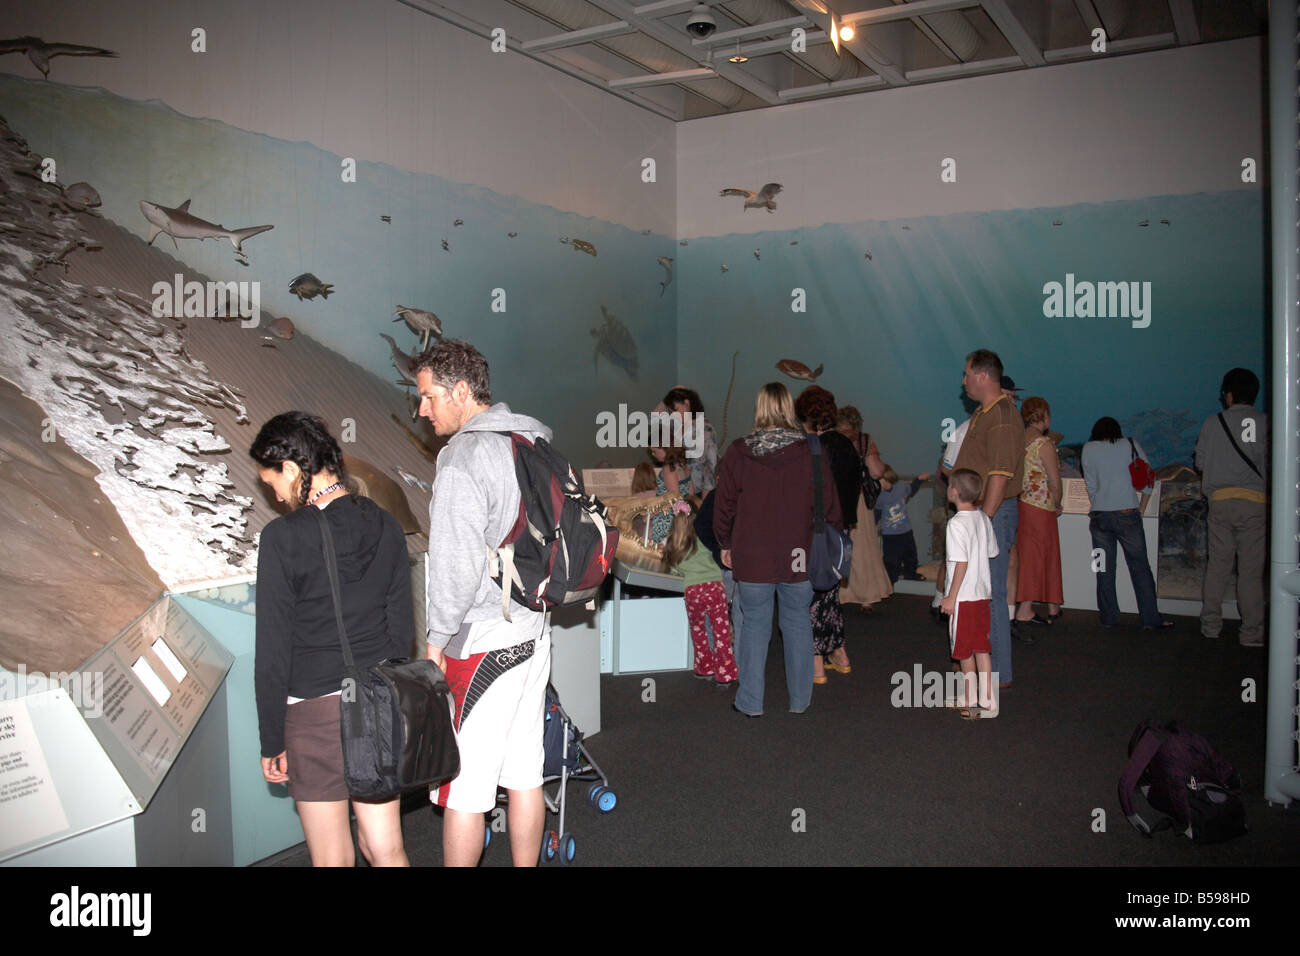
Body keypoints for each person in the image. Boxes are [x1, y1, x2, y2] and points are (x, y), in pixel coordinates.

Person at [251, 411, 412, 867]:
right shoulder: (385, 524)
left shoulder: (281, 538)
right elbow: (401, 632)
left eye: (273, 482)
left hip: (313, 713)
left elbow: (273, 651)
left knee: (332, 858)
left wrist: (271, 739)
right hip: (378, 702)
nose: (276, 495)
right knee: (386, 847)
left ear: (292, 467)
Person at [416, 340, 553, 867]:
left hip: (485, 640)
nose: (423, 409)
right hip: (533, 628)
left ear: (462, 391)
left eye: (429, 397)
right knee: (524, 774)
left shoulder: (463, 458)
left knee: (464, 792)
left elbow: (454, 567)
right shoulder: (529, 440)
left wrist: (434, 644)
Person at [715, 383, 840, 716]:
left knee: (754, 625)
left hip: (752, 553)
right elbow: (829, 504)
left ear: (759, 408)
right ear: (789, 409)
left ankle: (751, 702)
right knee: (798, 623)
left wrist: (724, 542)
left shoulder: (739, 451)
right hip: (798, 553)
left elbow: (724, 503)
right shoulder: (812, 450)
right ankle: (800, 701)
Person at [952, 350, 1024, 687]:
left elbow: (1000, 474)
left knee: (991, 593)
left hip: (992, 512)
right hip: (982, 513)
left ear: (983, 376)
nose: (963, 380)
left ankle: (996, 673)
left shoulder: (1003, 417)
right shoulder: (986, 414)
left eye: (967, 374)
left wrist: (983, 520)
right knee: (979, 591)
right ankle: (982, 666)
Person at [1194, 368, 1268, 646]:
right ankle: (1251, 632)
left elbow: (1200, 462)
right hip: (1255, 504)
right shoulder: (1265, 423)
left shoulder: (1213, 423)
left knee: (1218, 567)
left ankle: (1210, 626)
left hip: (1221, 502)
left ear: (1228, 394)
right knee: (1250, 571)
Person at [1081, 416, 1171, 630]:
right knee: (1140, 567)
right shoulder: (1129, 444)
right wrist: (1141, 507)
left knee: (1103, 568)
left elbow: (1091, 484)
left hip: (1100, 518)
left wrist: (1100, 503)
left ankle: (1109, 618)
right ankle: (1151, 619)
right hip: (1127, 515)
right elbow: (1149, 476)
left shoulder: (1088, 448)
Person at [795, 386, 858, 682]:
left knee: (811, 597)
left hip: (814, 531)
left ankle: (816, 663)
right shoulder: (847, 446)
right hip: (840, 531)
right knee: (830, 595)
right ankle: (840, 653)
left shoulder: (810, 449)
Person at [940, 468, 1000, 719]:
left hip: (963, 598)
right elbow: (991, 552)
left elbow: (960, 562)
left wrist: (951, 597)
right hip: (981, 595)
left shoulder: (956, 524)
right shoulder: (984, 519)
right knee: (981, 648)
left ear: (954, 491)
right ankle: (987, 699)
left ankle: (971, 698)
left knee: (964, 650)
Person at [663, 499, 738, 684]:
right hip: (714, 588)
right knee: (721, 633)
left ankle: (704, 668)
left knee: (699, 631)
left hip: (692, 591)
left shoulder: (675, 543)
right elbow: (718, 556)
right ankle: (726, 673)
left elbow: (673, 570)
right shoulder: (704, 538)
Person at [835, 405, 893, 612]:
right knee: (864, 548)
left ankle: (839, 594)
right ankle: (867, 597)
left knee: (836, 546)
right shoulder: (863, 440)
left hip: (833, 498)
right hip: (857, 499)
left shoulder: (830, 438)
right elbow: (876, 472)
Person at [1015, 397, 1064, 626]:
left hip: (1022, 505)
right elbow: (1055, 480)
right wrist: (1058, 501)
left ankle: (1052, 605)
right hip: (1042, 507)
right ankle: (1027, 609)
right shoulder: (1044, 444)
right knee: (1044, 555)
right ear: (1044, 415)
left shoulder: (1019, 440)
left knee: (1029, 555)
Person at [874, 466, 932, 583]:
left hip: (906, 530)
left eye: (878, 480)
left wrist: (919, 480)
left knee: (911, 555)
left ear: (886, 479)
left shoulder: (900, 487)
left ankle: (911, 573)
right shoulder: (879, 497)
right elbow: (877, 513)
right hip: (890, 535)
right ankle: (890, 579)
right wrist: (871, 526)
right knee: (891, 559)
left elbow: (911, 489)